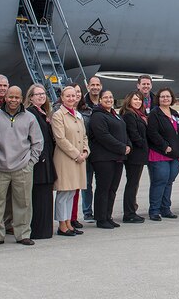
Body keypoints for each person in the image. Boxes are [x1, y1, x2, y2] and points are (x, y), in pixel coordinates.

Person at [0, 84, 44, 246]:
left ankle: (22, 233)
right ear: (6, 97)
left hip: (23, 167)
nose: (13, 100)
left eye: (17, 97)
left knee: (23, 202)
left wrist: (30, 163)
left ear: (21, 98)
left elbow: (38, 143)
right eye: (11, 96)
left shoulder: (29, 117)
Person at [89, 90, 130, 228]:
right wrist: (121, 147)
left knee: (112, 188)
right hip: (104, 158)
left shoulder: (115, 115)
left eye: (111, 97)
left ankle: (108, 216)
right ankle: (101, 218)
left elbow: (123, 132)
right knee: (103, 188)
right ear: (100, 100)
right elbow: (103, 136)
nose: (109, 99)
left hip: (117, 157)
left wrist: (128, 145)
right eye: (105, 97)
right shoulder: (98, 116)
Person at [51, 85, 88, 237]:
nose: (71, 99)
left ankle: (68, 223)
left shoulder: (78, 115)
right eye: (68, 96)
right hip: (66, 159)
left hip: (79, 158)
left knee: (72, 192)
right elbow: (60, 139)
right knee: (63, 193)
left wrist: (85, 151)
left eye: (73, 96)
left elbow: (84, 136)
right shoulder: (58, 115)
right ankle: (62, 224)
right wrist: (76, 154)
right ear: (62, 98)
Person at [24, 84, 56, 241]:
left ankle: (45, 229)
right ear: (30, 97)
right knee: (38, 197)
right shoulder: (30, 113)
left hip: (47, 160)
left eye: (43, 94)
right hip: (39, 161)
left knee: (46, 196)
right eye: (37, 94)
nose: (41, 96)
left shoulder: (43, 113)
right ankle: (38, 230)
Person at [146, 88, 179, 221]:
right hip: (160, 153)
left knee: (169, 182)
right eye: (162, 97)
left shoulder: (175, 113)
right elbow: (152, 133)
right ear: (158, 99)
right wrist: (164, 146)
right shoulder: (155, 113)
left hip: (175, 155)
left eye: (168, 96)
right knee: (159, 181)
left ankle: (165, 208)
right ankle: (154, 210)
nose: (165, 99)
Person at [120, 91, 149, 223]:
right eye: (135, 99)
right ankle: (129, 213)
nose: (138, 102)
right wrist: (145, 145)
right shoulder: (129, 115)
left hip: (139, 154)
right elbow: (134, 134)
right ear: (129, 101)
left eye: (140, 100)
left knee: (134, 183)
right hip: (134, 155)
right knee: (132, 184)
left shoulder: (140, 114)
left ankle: (132, 209)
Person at [80, 76, 102, 221]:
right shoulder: (82, 105)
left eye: (97, 84)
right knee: (86, 183)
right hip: (87, 149)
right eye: (92, 84)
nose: (95, 87)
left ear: (100, 86)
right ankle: (87, 212)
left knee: (101, 182)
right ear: (88, 86)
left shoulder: (105, 102)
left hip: (101, 150)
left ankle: (101, 210)